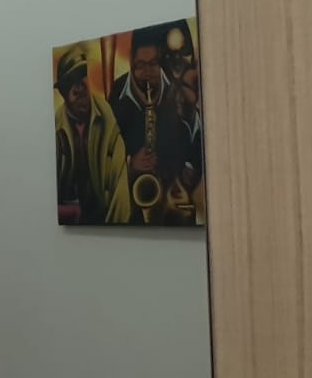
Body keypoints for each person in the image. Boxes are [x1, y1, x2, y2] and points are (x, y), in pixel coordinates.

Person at [108, 21, 204, 224]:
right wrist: (131, 165)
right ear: (131, 63)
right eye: (140, 66)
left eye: (153, 64)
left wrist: (187, 169)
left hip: (173, 204)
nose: (148, 73)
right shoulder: (116, 94)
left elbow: (195, 140)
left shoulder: (177, 91)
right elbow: (106, 157)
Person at [54, 46, 131, 225]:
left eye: (81, 75)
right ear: (63, 92)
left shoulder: (107, 120)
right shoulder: (57, 126)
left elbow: (120, 189)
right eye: (70, 82)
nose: (79, 88)